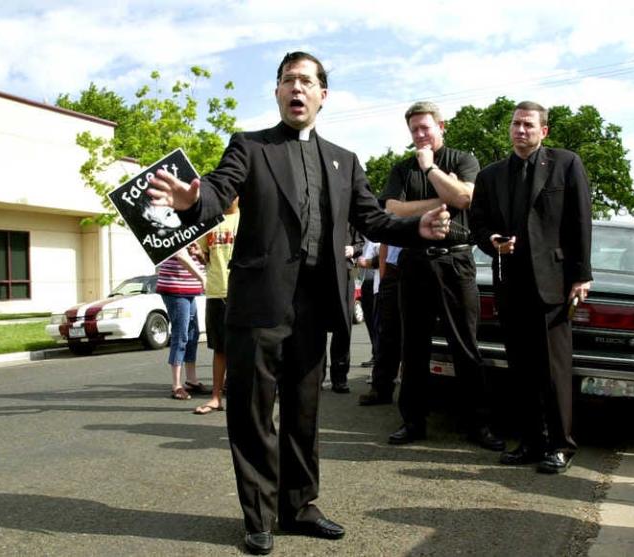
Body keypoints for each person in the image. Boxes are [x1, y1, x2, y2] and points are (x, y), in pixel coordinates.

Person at [146, 51, 452, 555]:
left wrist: (415, 229)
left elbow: (373, 219)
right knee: (253, 413)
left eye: (307, 81)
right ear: (277, 91)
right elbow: (218, 191)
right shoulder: (250, 147)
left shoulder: (344, 160)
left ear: (322, 95)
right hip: (259, 304)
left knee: (304, 414)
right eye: (288, 80)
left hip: (315, 305)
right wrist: (189, 201)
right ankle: (260, 516)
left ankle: (301, 506)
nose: (297, 89)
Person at [469, 100, 592, 473]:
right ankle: (530, 441)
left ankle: (560, 445)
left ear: (544, 131)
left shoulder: (565, 163)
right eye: (516, 124)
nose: (520, 131)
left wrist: (581, 274)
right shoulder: (491, 176)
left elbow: (580, 220)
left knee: (553, 370)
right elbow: (477, 224)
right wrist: (491, 240)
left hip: (553, 283)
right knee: (521, 368)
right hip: (511, 281)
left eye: (528, 125)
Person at [380, 101, 503, 451]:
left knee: (465, 345)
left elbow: (465, 198)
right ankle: (413, 422)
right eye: (414, 130)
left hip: (455, 263)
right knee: (414, 348)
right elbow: (391, 209)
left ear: (441, 127)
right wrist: (438, 202)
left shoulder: (462, 160)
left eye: (425, 128)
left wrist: (431, 169)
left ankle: (478, 424)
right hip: (414, 263)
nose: (419, 135)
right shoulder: (402, 169)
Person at [192, 199, 240, 414]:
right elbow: (205, 257)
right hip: (215, 290)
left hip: (242, 292)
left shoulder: (247, 219)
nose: (229, 197)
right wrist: (198, 254)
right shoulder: (210, 222)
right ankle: (215, 398)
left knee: (245, 348)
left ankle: (246, 398)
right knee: (220, 348)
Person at [156, 244, 207, 401]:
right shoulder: (176, 230)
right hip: (175, 288)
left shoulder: (196, 230)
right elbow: (181, 255)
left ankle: (191, 380)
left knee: (193, 333)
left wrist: (200, 254)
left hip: (190, 289)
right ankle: (176, 385)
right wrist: (202, 278)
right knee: (181, 334)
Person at [358, 243, 403, 406]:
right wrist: (385, 278)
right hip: (391, 271)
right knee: (386, 336)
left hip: (418, 263)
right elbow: (385, 244)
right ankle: (381, 390)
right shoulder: (388, 219)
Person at [326, 226, 362, 393]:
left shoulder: (349, 212)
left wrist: (353, 249)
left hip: (344, 272)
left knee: (343, 326)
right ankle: (314, 377)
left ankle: (339, 378)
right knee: (313, 329)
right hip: (318, 271)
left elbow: (361, 243)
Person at [357, 238, 381, 367]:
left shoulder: (380, 233)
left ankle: (379, 357)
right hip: (365, 282)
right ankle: (375, 353)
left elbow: (384, 256)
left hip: (376, 282)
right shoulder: (363, 238)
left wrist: (367, 262)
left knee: (379, 324)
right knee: (371, 321)